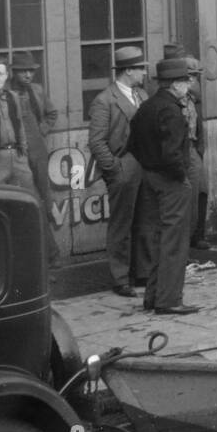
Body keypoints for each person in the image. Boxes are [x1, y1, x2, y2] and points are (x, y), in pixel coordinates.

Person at [127, 58, 199, 314]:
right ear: (175, 84)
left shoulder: (146, 107)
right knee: (175, 242)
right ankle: (168, 300)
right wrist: (181, 177)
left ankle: (153, 297)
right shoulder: (172, 111)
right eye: (185, 80)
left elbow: (132, 144)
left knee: (160, 239)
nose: (188, 84)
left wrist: (150, 166)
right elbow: (172, 155)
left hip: (150, 177)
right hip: (171, 182)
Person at [88, 46, 151, 298]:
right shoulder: (105, 100)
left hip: (145, 167)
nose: (144, 72)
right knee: (121, 224)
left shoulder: (143, 95)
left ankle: (143, 272)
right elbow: (96, 141)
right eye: (140, 68)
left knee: (145, 220)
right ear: (128, 71)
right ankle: (121, 278)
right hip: (123, 168)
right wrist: (115, 169)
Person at [10, 52, 61, 265]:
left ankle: (52, 219)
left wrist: (41, 130)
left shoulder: (37, 91)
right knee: (32, 199)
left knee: (45, 194)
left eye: (31, 71)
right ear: (14, 72)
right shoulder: (6, 94)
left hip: (38, 149)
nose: (28, 75)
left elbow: (52, 113)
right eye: (23, 71)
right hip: (19, 153)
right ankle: (50, 253)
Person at [163, 42, 209, 250]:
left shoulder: (188, 92)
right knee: (188, 194)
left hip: (192, 145)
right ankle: (187, 239)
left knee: (201, 190)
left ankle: (196, 234)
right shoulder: (170, 95)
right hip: (182, 148)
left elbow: (197, 94)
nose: (190, 79)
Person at [0, 54, 36, 193]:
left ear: (6, 76)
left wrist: (23, 150)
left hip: (18, 156)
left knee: (28, 194)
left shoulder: (13, 97)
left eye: (0, 73)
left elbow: (20, 123)